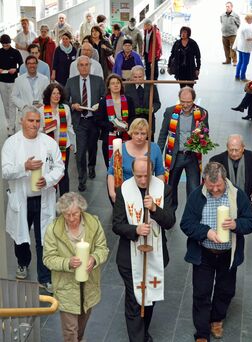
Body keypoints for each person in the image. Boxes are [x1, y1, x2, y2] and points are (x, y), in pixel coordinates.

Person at [180, 162, 252, 342]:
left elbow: (251, 222)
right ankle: (201, 333)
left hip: (228, 254)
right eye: (210, 185)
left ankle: (216, 319)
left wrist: (236, 224)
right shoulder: (196, 196)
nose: (215, 190)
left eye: (218, 186)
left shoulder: (237, 195)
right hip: (204, 253)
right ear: (204, 180)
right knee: (201, 292)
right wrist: (206, 232)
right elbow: (186, 223)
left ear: (225, 180)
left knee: (226, 290)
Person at [1, 106, 64, 292]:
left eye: (37, 121)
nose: (35, 125)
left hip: (43, 198)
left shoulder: (48, 143)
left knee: (44, 239)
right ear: (22, 120)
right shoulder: (11, 144)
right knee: (21, 236)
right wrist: (24, 167)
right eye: (30, 120)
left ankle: (45, 278)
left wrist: (49, 180)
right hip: (21, 200)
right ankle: (22, 262)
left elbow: (59, 167)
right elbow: (5, 171)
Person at [113, 157, 175, 342]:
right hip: (128, 257)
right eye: (138, 176)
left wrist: (155, 209)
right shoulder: (123, 190)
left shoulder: (164, 189)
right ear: (132, 173)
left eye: (145, 176)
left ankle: (143, 333)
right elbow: (117, 225)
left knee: (149, 297)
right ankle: (138, 338)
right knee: (134, 300)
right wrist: (135, 230)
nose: (141, 180)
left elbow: (170, 222)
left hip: (155, 254)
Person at [43, 192, 109, 342]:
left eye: (75, 214)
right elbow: (48, 258)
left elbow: (103, 249)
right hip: (66, 286)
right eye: (67, 215)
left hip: (89, 284)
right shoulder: (53, 230)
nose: (71, 218)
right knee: (70, 330)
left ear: (82, 210)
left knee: (81, 326)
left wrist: (94, 258)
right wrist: (67, 263)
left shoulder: (93, 224)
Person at [158, 86, 208, 210]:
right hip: (175, 155)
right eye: (182, 101)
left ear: (194, 100)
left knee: (194, 188)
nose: (185, 105)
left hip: (192, 157)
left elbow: (206, 134)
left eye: (188, 102)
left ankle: (192, 213)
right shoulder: (170, 112)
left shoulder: (202, 113)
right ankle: (171, 212)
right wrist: (157, 153)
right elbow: (163, 133)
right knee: (171, 186)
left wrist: (202, 141)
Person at [65, 55, 105, 192]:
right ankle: (82, 179)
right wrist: (72, 105)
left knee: (92, 147)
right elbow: (64, 100)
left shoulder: (98, 81)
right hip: (79, 121)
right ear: (77, 67)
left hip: (93, 120)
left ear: (90, 66)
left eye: (86, 65)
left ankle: (92, 166)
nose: (84, 67)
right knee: (80, 152)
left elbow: (105, 98)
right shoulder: (71, 82)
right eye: (81, 65)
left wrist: (99, 105)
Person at [108, 118, 164, 203]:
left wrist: (159, 193)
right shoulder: (121, 149)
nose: (139, 137)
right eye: (136, 133)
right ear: (131, 133)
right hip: (125, 191)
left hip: (147, 190)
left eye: (143, 133)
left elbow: (160, 173)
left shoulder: (155, 148)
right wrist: (112, 193)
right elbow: (111, 173)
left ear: (148, 134)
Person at [210, 134, 252, 212]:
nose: (234, 153)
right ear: (227, 147)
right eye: (231, 150)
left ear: (243, 148)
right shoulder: (216, 161)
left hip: (246, 203)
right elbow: (211, 186)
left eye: (237, 150)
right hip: (223, 205)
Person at [94, 73, 136, 168]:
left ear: (121, 85)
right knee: (111, 167)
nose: (116, 85)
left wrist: (127, 124)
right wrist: (112, 126)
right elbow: (98, 120)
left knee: (126, 165)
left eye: (118, 83)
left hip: (126, 136)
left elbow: (133, 116)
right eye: (113, 83)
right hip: (109, 136)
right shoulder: (103, 101)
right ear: (108, 86)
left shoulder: (128, 100)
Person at [41, 83, 75, 196]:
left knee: (63, 173)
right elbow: (38, 129)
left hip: (63, 145)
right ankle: (50, 197)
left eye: (58, 93)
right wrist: (45, 128)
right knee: (50, 171)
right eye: (54, 93)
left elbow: (69, 126)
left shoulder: (65, 108)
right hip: (48, 148)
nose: (56, 96)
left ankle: (65, 199)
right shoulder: (42, 110)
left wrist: (72, 143)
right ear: (49, 95)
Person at [125, 65, 161, 141]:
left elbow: (157, 103)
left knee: (149, 145)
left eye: (140, 76)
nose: (138, 79)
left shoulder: (152, 86)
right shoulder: (127, 87)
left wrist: (153, 108)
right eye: (135, 77)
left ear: (144, 75)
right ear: (131, 77)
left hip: (148, 120)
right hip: (133, 121)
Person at [0, 34, 23, 136]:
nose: (5, 46)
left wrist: (16, 70)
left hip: (13, 82)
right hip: (2, 82)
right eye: (3, 45)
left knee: (12, 104)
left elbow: (22, 65)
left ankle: (12, 126)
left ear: (10, 43)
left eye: (7, 44)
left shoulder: (15, 52)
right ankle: (9, 123)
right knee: (5, 104)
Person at [234, 13, 252, 81]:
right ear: (248, 19)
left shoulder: (242, 25)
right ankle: (243, 77)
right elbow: (247, 38)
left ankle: (237, 75)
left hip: (241, 46)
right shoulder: (247, 27)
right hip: (245, 48)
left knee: (240, 61)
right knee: (245, 63)